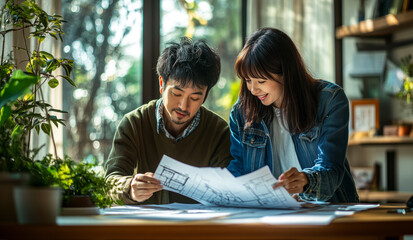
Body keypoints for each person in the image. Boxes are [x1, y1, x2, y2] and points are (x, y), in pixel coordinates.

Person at [227, 27, 359, 203]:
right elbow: (238, 170)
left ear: (286, 74)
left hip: (327, 211)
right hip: (268, 216)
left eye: (261, 81)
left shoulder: (330, 101)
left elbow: (331, 170)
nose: (252, 89)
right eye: (248, 80)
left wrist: (306, 181)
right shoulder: (242, 113)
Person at [104, 37, 232, 205]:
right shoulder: (135, 123)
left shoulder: (218, 131)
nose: (183, 105)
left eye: (195, 97)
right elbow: (109, 183)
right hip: (146, 226)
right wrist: (130, 188)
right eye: (176, 94)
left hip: (198, 228)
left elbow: (227, 190)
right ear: (161, 84)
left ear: (205, 96)